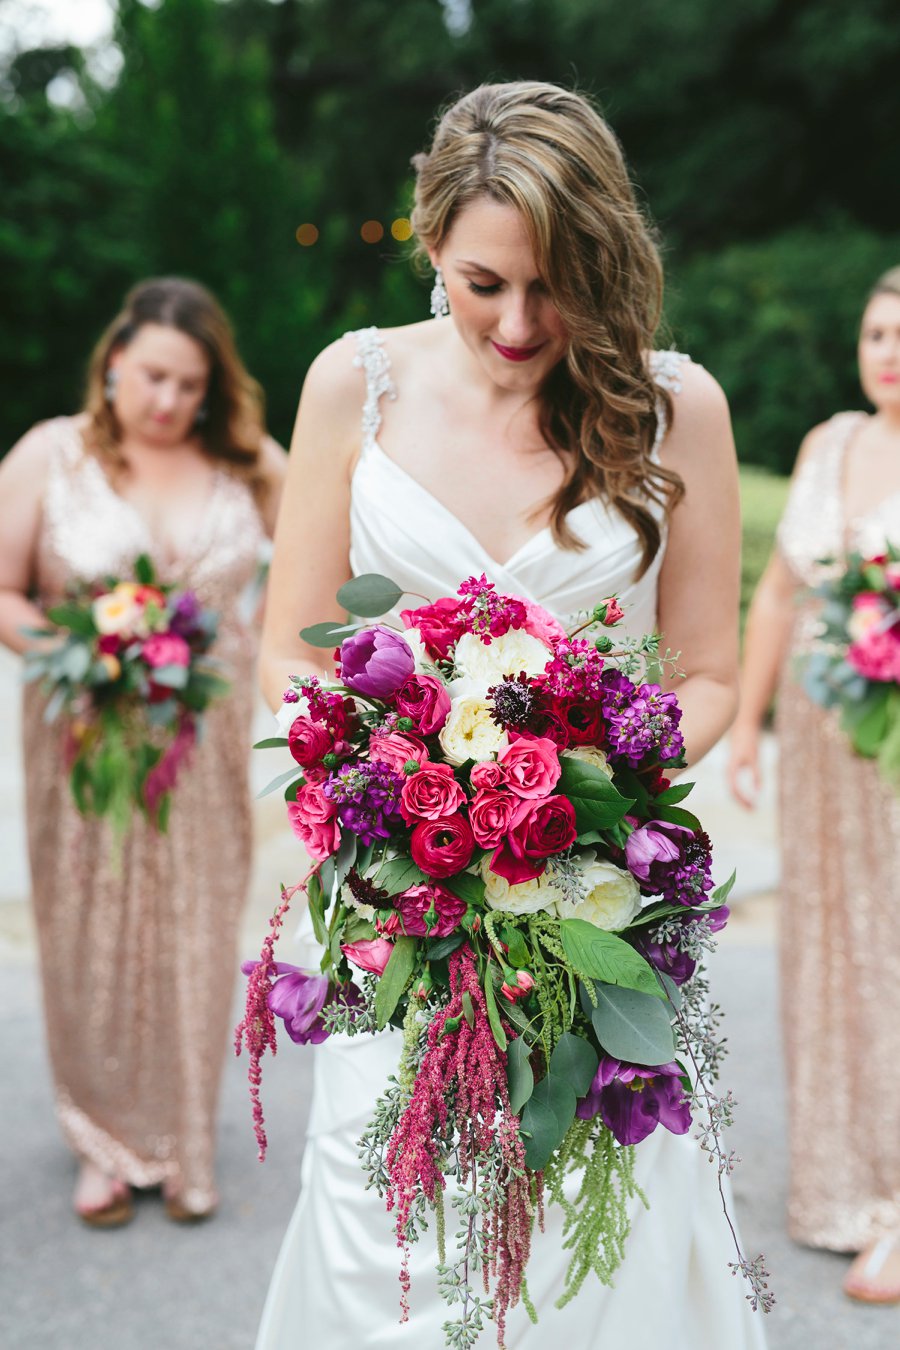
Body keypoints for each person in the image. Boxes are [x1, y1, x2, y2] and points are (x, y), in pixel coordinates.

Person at [257, 82, 765, 1347]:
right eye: (487, 283)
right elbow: (288, 645)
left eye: (558, 283)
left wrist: (578, 794)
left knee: (593, 1253)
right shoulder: (352, 385)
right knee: (390, 1229)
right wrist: (397, 780)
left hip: (586, 898)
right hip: (402, 893)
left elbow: (705, 671)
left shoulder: (675, 404)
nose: (522, 323)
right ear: (430, 241)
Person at [0, 277, 286, 1226]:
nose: (168, 401)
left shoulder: (248, 466)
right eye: (154, 376)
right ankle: (102, 1140)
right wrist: (95, 654)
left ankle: (182, 1136)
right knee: (89, 927)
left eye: (190, 385)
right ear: (115, 360)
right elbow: (4, 590)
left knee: (195, 929)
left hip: (200, 753)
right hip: (83, 741)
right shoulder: (52, 454)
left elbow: (314, 570)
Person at [728, 267, 900, 1304]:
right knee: (833, 945)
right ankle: (844, 1180)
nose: (889, 349)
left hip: (896, 759)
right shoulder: (827, 443)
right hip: (822, 754)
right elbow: (780, 593)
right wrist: (748, 723)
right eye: (877, 330)